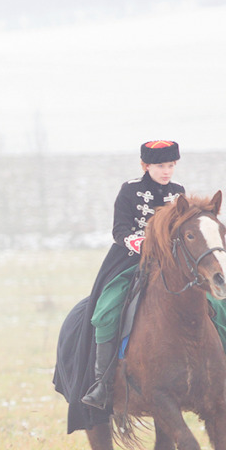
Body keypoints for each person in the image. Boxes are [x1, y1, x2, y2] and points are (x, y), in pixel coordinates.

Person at [80, 140, 186, 410]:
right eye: (161, 165)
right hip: (129, 261)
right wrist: (136, 242)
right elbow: (119, 229)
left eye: (171, 165)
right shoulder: (130, 190)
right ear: (145, 165)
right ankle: (103, 384)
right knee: (105, 313)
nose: (166, 171)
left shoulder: (179, 193)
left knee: (219, 305)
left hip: (170, 264)